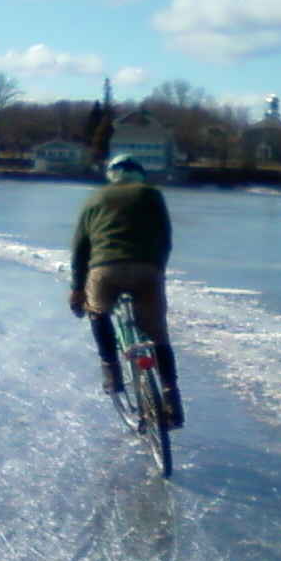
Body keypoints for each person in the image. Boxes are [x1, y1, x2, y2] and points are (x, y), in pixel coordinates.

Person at [69, 153, 183, 429]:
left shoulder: (93, 199)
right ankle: (171, 400)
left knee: (98, 312)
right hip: (147, 270)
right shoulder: (151, 194)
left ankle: (111, 370)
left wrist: (77, 289)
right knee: (158, 336)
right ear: (139, 174)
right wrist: (157, 268)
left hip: (104, 271)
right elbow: (166, 237)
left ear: (111, 174)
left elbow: (80, 249)